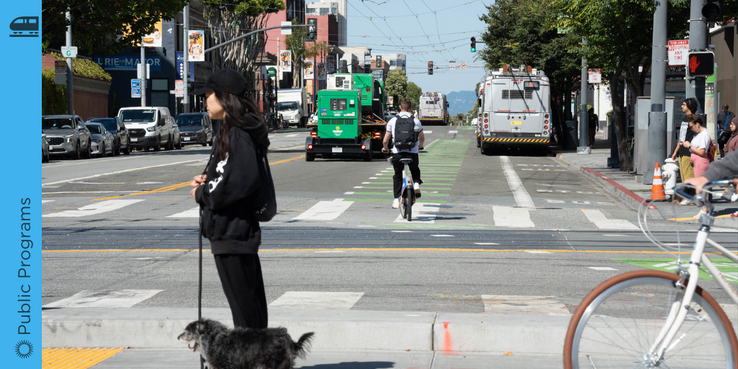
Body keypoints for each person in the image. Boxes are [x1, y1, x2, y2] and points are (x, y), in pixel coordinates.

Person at [189, 68, 270, 329]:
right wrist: (207, 180)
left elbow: (240, 181)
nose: (205, 101)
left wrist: (203, 193)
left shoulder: (238, 133)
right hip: (231, 232)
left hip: (233, 233)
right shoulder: (233, 129)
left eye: (208, 95)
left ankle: (255, 360)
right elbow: (227, 174)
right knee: (248, 310)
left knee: (245, 314)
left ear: (224, 97)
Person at [382, 98, 425, 209]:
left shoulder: (393, 121)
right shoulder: (415, 120)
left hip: (398, 153)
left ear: (400, 107)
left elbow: (385, 140)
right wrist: (420, 146)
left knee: (397, 175)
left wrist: (385, 148)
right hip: (412, 153)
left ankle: (396, 200)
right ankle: (416, 183)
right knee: (415, 168)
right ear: (410, 108)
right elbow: (422, 137)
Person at [684, 149, 738, 217]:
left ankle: (705, 209)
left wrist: (689, 146)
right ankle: (705, 208)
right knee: (701, 186)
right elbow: (735, 158)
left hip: (701, 161)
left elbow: (702, 151)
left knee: (704, 189)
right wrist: (708, 176)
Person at [671, 98, 699, 204]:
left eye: (684, 105)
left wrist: (693, 152)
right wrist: (675, 152)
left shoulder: (695, 120)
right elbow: (681, 138)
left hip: (689, 151)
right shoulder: (684, 119)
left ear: (689, 106)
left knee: (689, 175)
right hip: (682, 151)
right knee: (683, 175)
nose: (682, 106)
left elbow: (697, 137)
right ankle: (687, 196)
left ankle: (691, 197)